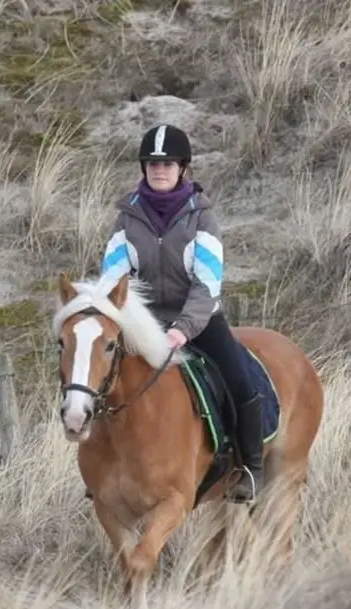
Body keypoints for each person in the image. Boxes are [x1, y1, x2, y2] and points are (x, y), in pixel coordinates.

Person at [99, 124, 264, 504]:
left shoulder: (202, 218)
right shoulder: (127, 218)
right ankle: (104, 468)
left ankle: (251, 468)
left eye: (168, 164)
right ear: (144, 168)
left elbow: (207, 285)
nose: (160, 170)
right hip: (143, 323)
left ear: (182, 168)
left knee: (239, 380)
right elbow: (113, 282)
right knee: (98, 379)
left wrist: (183, 329)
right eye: (153, 164)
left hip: (199, 320)